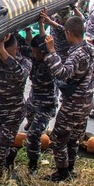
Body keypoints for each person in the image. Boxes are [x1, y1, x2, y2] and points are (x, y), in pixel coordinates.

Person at [42, 16, 94, 181]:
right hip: (86, 102)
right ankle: (70, 167)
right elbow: (70, 29)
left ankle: (62, 172)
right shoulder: (89, 47)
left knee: (58, 139)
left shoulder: (76, 55)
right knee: (73, 138)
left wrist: (51, 52)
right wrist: (52, 23)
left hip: (74, 105)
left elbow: (63, 74)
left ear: (69, 33)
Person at [0, 33, 32, 186]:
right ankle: (10, 153)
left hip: (13, 113)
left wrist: (3, 52)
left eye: (6, 50)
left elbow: (20, 74)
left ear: (16, 49)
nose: (2, 53)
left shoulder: (25, 63)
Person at [24, 21, 55, 175]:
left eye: (38, 53)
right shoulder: (35, 56)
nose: (35, 55)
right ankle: (31, 121)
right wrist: (37, 24)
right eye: (34, 52)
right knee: (25, 117)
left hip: (46, 104)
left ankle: (33, 164)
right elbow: (31, 41)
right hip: (33, 100)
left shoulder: (51, 62)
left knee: (34, 134)